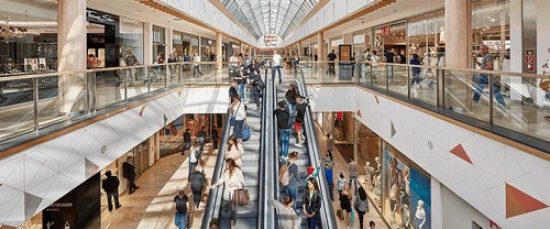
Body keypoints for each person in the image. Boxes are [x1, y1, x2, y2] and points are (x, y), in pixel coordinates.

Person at [209, 159, 245, 229]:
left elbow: (242, 183)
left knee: (234, 211)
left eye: (226, 164)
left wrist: (235, 184)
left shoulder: (238, 171)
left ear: (230, 164)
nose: (225, 166)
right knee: (224, 207)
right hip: (226, 194)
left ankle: (232, 225)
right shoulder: (226, 172)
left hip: (235, 194)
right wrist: (215, 185)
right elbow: (221, 180)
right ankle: (231, 215)